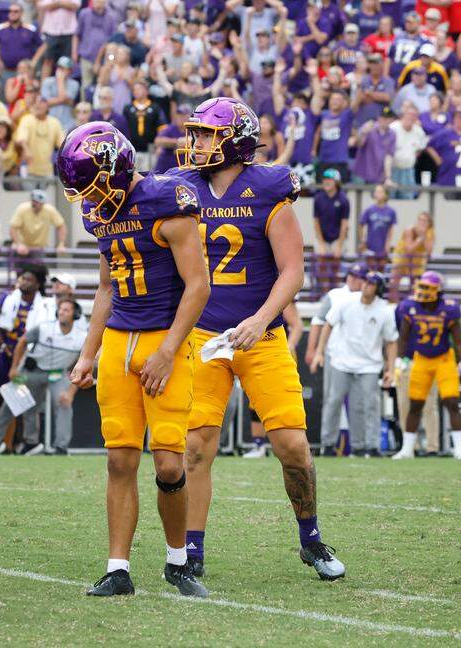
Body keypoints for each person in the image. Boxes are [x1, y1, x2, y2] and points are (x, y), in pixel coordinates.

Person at [168, 97, 343, 581]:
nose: (196, 142)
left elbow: (293, 271)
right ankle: (192, 550)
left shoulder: (267, 189)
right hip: (203, 337)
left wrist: (261, 318)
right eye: (196, 133)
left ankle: (311, 538)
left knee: (293, 447)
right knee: (195, 448)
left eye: (206, 134)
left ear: (235, 141)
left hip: (260, 336)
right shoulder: (182, 187)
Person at [59, 122, 210, 597]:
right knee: (119, 461)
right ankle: (118, 568)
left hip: (164, 339)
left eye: (92, 185)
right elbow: (107, 287)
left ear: (116, 170)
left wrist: (167, 351)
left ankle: (178, 561)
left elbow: (198, 285)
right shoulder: (100, 213)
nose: (89, 198)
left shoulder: (167, 201)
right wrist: (88, 353)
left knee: (168, 464)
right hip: (118, 343)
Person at [392, 272, 461, 459]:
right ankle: (407, 449)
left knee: (451, 402)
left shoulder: (449, 308)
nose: (422, 291)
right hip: (421, 359)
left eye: (427, 288)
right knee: (415, 404)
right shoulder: (410, 306)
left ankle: (460, 449)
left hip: (444, 360)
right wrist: (400, 359)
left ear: (438, 291)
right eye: (421, 286)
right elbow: (403, 337)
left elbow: (459, 340)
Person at [312, 271, 398, 456]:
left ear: (378, 289)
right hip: (341, 360)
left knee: (368, 405)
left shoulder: (384, 310)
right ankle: (327, 444)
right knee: (333, 401)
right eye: (365, 281)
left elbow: (391, 341)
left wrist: (390, 370)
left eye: (371, 283)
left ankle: (368, 446)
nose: (365, 285)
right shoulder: (346, 302)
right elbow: (328, 325)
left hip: (369, 365)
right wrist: (319, 352)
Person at [0, 298, 86, 455]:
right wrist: (14, 368)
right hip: (32, 370)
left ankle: (61, 448)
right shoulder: (43, 328)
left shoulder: (82, 337)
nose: (61, 312)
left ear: (76, 314)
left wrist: (70, 393)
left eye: (66, 310)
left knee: (64, 403)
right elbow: (22, 342)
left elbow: (82, 365)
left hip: (58, 374)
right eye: (60, 309)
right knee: (11, 402)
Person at [312, 169, 348, 294]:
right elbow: (316, 222)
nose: (326, 182)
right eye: (325, 179)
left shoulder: (343, 199)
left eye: (330, 179)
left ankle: (335, 293)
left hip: (337, 238)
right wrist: (321, 243)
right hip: (322, 237)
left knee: (335, 266)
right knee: (322, 265)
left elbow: (344, 224)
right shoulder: (318, 198)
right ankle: (324, 294)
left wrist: (339, 245)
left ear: (336, 182)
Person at [10, 190, 67, 255]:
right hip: (21, 248)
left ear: (43, 203)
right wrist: (19, 244)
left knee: (38, 260)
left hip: (39, 248)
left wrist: (61, 244)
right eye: (32, 201)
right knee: (17, 259)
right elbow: (13, 228)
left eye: (37, 202)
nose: (33, 204)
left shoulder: (49, 210)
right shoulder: (22, 208)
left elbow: (61, 226)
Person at [358, 184, 396, 271]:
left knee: (381, 269)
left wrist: (388, 243)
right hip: (370, 245)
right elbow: (361, 225)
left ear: (386, 195)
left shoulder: (391, 211)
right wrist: (362, 240)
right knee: (370, 269)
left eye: (380, 192)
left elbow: (391, 228)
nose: (378, 194)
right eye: (376, 192)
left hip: (383, 246)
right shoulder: (369, 210)